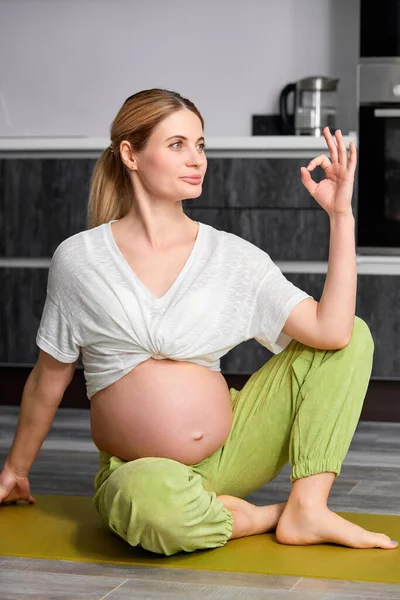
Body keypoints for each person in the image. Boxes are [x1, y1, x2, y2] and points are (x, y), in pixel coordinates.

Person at [0, 88, 397, 557]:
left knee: (354, 337)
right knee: (148, 507)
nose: (197, 160)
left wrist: (340, 215)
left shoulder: (231, 256)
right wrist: (16, 469)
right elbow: (50, 376)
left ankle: (308, 507)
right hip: (140, 471)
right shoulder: (80, 259)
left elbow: (332, 333)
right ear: (130, 154)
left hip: (235, 447)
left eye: (201, 144)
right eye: (177, 145)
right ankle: (268, 515)